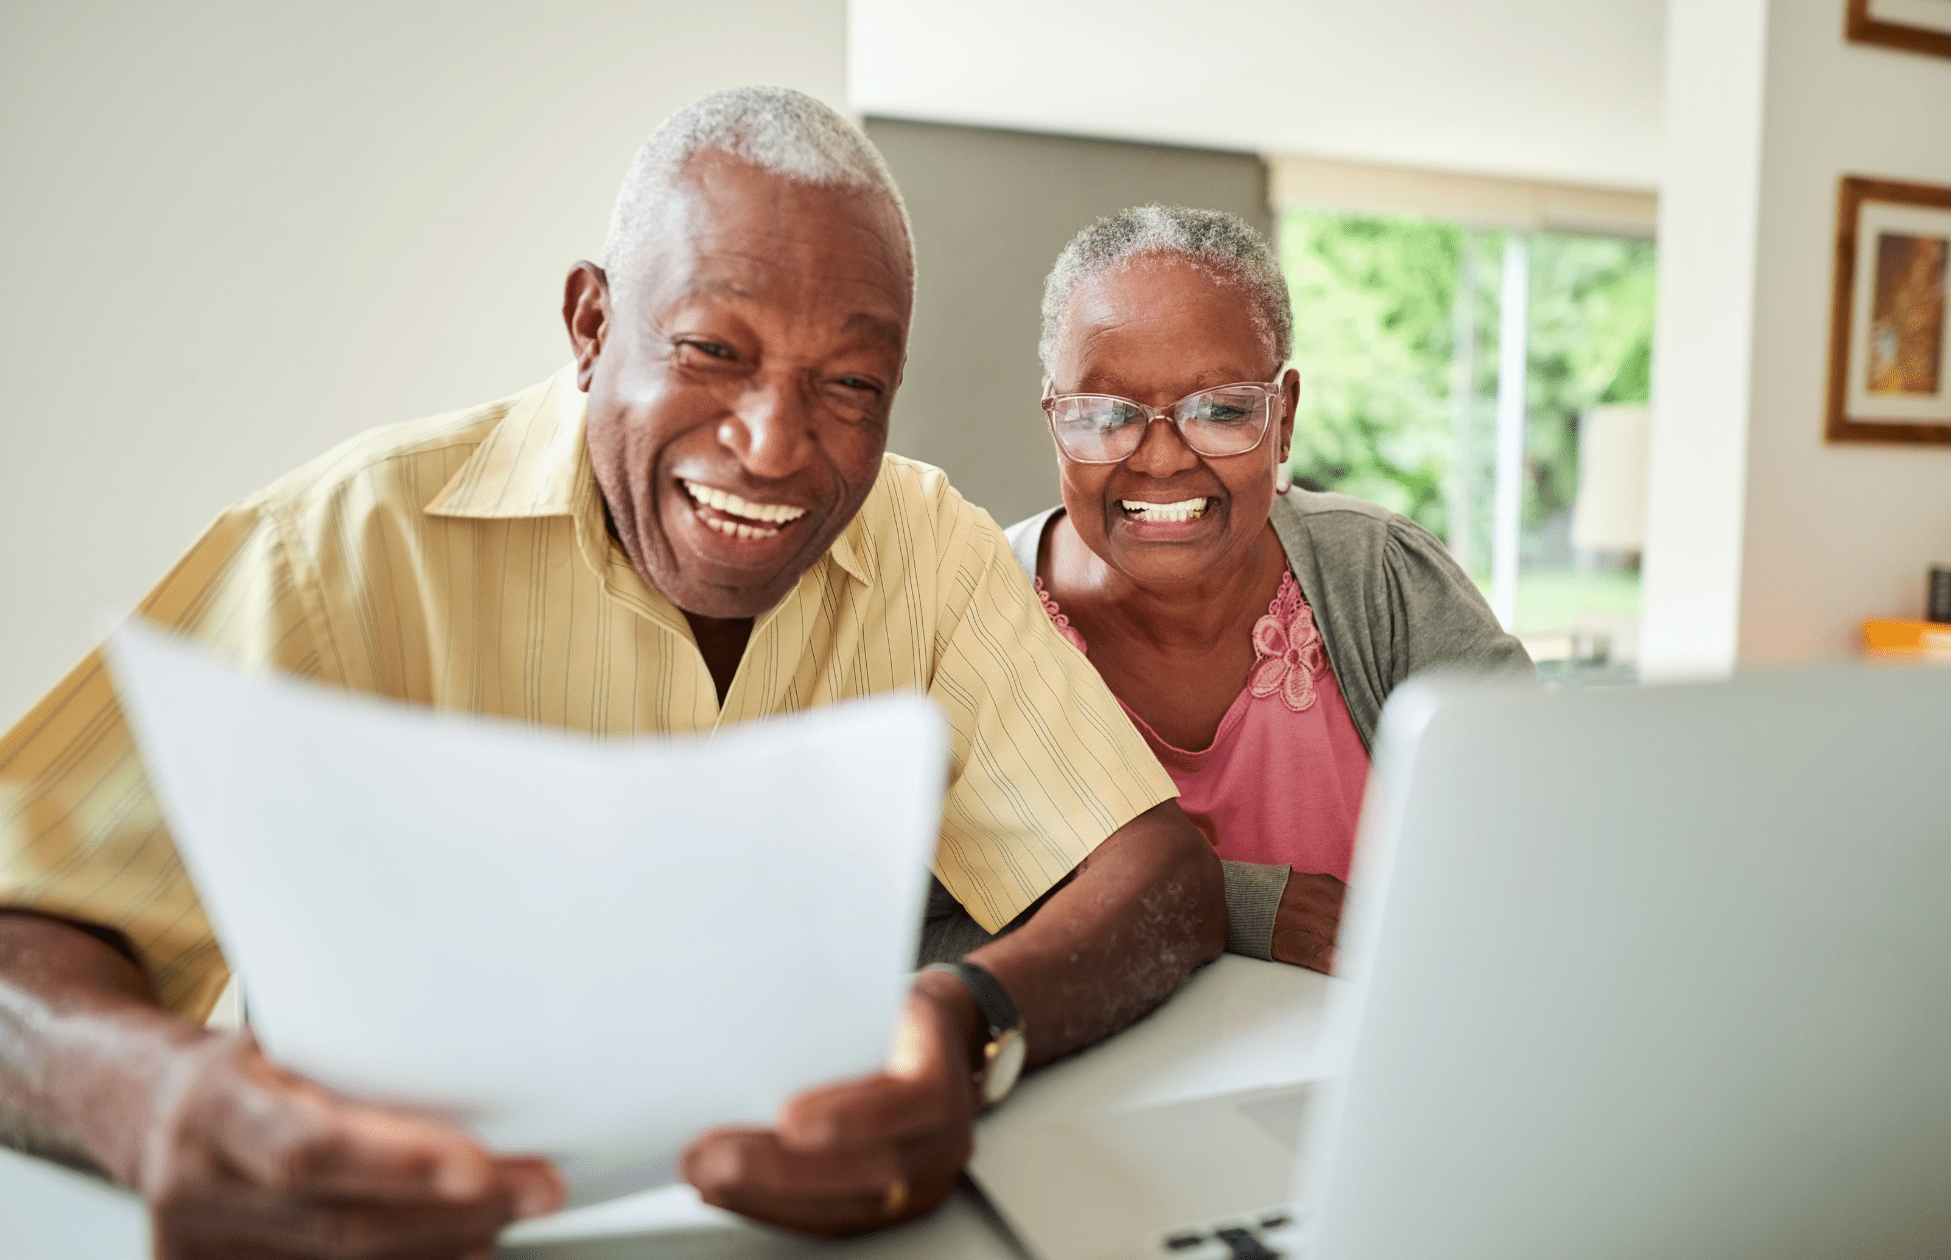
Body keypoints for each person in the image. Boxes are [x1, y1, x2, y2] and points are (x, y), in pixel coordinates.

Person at [0, 89, 1223, 1253]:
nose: (773, 444)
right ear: (591, 325)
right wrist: (156, 1096)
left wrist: (963, 1024)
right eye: (709, 349)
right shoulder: (334, 549)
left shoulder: (928, 546)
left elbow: (1150, 871)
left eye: (849, 385)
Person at [1007, 206, 1531, 974]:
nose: (1160, 461)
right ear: (1056, 421)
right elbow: (933, 926)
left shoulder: (1380, 579)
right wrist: (1236, 906)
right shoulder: (978, 610)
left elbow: (1545, 842)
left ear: (1283, 419)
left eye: (1220, 409)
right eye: (1108, 415)